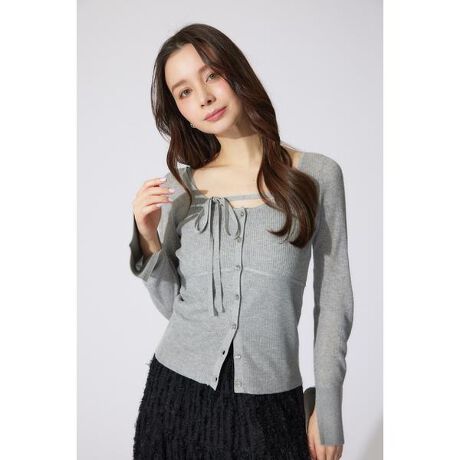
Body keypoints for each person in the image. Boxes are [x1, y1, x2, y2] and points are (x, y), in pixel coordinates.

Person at [129, 23, 354, 460]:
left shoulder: (317, 176)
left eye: (211, 75)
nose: (204, 97)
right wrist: (149, 238)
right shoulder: (182, 189)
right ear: (180, 111)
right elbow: (177, 308)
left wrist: (327, 409)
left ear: (236, 73)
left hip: (269, 406)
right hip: (175, 401)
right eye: (184, 92)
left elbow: (334, 302)